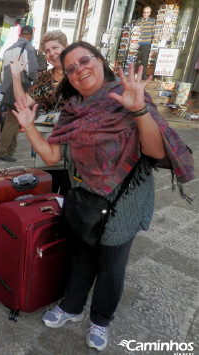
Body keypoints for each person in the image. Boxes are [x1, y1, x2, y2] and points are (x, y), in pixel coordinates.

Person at [12, 41, 194, 352]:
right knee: (82, 254)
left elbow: (154, 151)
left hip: (125, 197)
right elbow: (53, 155)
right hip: (85, 197)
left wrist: (138, 108)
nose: (79, 69)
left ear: (100, 60)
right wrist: (29, 127)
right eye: (71, 68)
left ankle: (101, 319)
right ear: (67, 77)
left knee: (112, 263)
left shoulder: (128, 97)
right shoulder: (71, 111)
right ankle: (72, 307)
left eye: (85, 60)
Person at [9, 30, 70, 193]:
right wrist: (16, 76)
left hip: (74, 147)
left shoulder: (77, 74)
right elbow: (23, 105)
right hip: (47, 142)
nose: (52, 53)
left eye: (56, 48)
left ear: (66, 47)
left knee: (70, 198)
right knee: (47, 197)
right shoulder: (44, 78)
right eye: (47, 51)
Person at [0, 25, 38, 162]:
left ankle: (10, 150)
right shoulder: (28, 48)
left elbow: (2, 72)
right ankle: (2, 152)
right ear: (30, 36)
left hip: (7, 89)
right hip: (19, 89)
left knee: (13, 120)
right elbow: (32, 71)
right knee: (12, 121)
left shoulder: (8, 49)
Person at [135, 6, 155, 79]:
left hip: (146, 43)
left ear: (149, 13)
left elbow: (153, 32)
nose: (145, 14)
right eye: (144, 12)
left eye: (147, 12)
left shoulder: (152, 21)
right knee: (134, 58)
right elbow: (135, 31)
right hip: (137, 42)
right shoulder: (138, 21)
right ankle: (133, 73)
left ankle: (142, 76)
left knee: (144, 60)